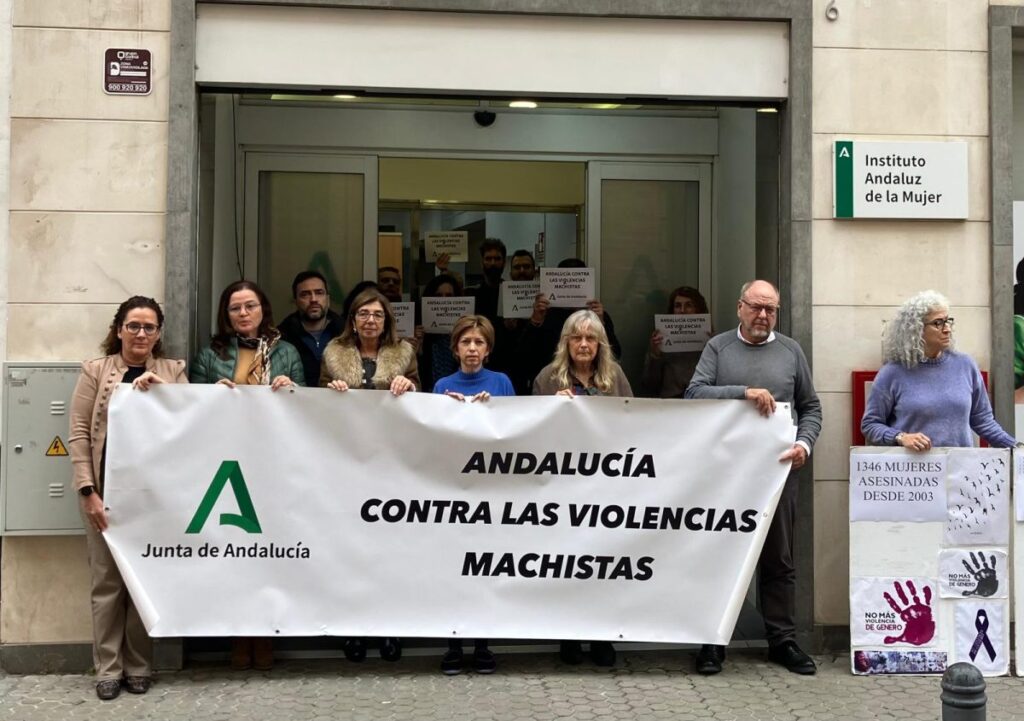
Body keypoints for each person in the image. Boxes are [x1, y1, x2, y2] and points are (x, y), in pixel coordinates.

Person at [685, 280, 822, 676]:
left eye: (771, 309)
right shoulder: (719, 348)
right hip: (727, 476)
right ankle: (712, 640)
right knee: (721, 556)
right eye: (756, 307)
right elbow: (694, 394)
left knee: (779, 559)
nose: (763, 315)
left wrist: (804, 445)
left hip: (778, 474)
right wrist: (743, 392)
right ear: (740, 307)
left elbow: (811, 407)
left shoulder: (791, 351)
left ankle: (782, 640)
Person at [69, 296, 188, 700]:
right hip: (104, 495)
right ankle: (108, 668)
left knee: (142, 584)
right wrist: (88, 491)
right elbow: (79, 433)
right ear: (119, 329)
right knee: (106, 584)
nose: (141, 333)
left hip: (152, 499)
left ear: (158, 334)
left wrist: (164, 392)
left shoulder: (173, 371)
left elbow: (190, 419)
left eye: (149, 327)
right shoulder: (95, 371)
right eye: (133, 325)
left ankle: (139, 665)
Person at [189, 280, 304, 670]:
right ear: (226, 314)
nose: (243, 313)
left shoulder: (286, 352)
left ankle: (266, 633)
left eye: (250, 306)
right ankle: (239, 634)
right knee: (235, 553)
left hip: (272, 461)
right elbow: (192, 405)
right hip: (228, 460)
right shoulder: (211, 354)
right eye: (235, 307)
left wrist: (291, 388)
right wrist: (212, 393)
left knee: (269, 552)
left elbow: (308, 405)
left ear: (262, 309)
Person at [320, 287, 417, 664]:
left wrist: (409, 386)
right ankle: (354, 628)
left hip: (391, 465)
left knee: (389, 551)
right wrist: (331, 391)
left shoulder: (404, 352)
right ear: (353, 319)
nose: (371, 321)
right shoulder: (333, 352)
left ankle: (390, 626)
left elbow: (422, 402)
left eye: (377, 314)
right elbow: (315, 405)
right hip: (347, 464)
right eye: (363, 314)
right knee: (351, 550)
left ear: (387, 319)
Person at [532, 309, 630, 667]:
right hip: (562, 488)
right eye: (577, 337)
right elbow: (529, 432)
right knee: (568, 563)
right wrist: (552, 410)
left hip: (606, 486)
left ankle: (602, 636)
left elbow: (633, 424)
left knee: (603, 563)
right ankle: (569, 634)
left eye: (591, 338)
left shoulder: (615, 376)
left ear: (601, 343)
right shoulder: (547, 377)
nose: (584, 344)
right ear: (566, 342)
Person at [434, 316, 514, 674]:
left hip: (490, 492)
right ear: (455, 348)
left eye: (479, 342)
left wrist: (492, 410)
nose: (471, 348)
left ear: (488, 349)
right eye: (465, 342)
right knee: (452, 570)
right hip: (453, 490)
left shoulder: (501, 382)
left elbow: (515, 431)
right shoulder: (442, 385)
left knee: (484, 571)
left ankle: (482, 645)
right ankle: (453, 646)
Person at [861, 290, 1015, 450]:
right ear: (916, 329)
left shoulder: (965, 365)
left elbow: (983, 421)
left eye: (948, 321)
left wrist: (1016, 448)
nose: (947, 329)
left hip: (959, 464)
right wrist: (901, 437)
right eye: (938, 323)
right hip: (913, 464)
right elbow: (870, 425)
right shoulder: (893, 372)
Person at [641, 286, 709, 398]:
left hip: (700, 400)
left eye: (688, 305)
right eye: (677, 306)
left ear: (698, 309)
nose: (682, 310)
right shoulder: (660, 340)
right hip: (671, 401)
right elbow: (649, 384)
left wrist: (711, 348)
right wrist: (655, 355)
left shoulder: (711, 341)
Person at [277, 271, 344, 387]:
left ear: (327, 298)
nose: (313, 299)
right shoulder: (282, 336)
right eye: (305, 294)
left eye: (319, 293)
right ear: (295, 301)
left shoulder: (345, 331)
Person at [415, 273, 463, 392]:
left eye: (449, 295)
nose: (444, 300)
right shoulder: (420, 328)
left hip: (458, 392)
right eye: (438, 295)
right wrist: (418, 347)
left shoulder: (464, 331)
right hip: (428, 393)